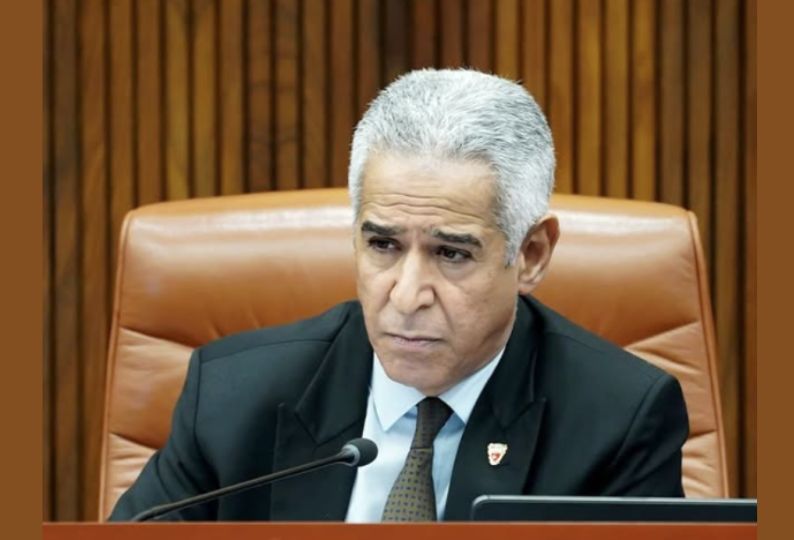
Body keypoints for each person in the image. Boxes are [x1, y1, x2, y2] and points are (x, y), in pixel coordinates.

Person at [109, 69, 689, 522]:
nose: (407, 296)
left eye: (451, 253)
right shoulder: (231, 399)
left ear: (531, 254)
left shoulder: (619, 420)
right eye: (383, 245)